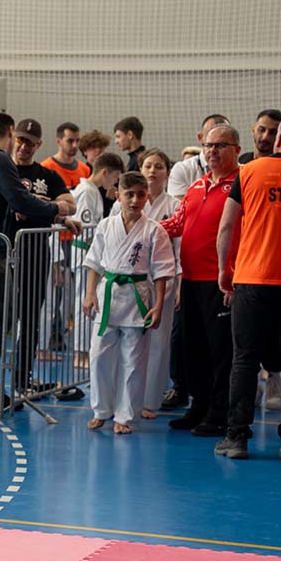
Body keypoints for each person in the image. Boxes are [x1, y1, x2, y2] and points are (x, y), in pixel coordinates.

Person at [0, 114, 75, 401]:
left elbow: (66, 203)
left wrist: (49, 209)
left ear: (38, 145)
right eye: (20, 139)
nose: (24, 146)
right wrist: (52, 210)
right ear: (12, 134)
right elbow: (19, 200)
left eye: (30, 142)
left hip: (4, 249)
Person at [160, 123, 241, 436]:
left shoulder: (243, 184)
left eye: (220, 145)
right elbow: (176, 224)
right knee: (193, 348)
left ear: (236, 149)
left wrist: (234, 275)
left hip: (222, 282)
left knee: (221, 352)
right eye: (208, 145)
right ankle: (198, 407)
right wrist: (140, 226)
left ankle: (219, 414)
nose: (212, 151)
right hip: (191, 280)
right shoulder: (196, 186)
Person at [215, 117, 281, 459]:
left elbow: (227, 226)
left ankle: (237, 437)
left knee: (244, 359)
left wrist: (223, 270)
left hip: (253, 278)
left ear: (279, 138)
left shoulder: (249, 171)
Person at [82, 171, 175, 434]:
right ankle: (101, 410)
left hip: (138, 297)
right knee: (98, 356)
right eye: (129, 194)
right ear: (117, 195)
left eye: (141, 195)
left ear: (147, 197)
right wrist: (89, 293)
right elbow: (94, 262)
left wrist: (158, 305)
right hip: (108, 296)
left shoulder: (154, 229)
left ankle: (125, 416)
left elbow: (162, 271)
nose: (135, 200)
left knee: (133, 361)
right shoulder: (106, 225)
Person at [110, 149, 179, 418]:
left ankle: (150, 400)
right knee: (122, 343)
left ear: (167, 173)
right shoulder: (121, 203)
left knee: (158, 342)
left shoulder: (175, 205)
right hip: (126, 284)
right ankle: (119, 399)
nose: (153, 171)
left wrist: (178, 281)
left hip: (161, 281)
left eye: (159, 166)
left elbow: (179, 247)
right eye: (148, 165)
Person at [71, 152, 125, 368]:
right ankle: (80, 354)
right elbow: (85, 227)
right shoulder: (86, 191)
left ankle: (85, 351)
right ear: (105, 172)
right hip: (84, 252)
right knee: (83, 302)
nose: (114, 183)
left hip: (91, 253)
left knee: (90, 303)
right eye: (115, 178)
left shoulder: (92, 191)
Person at [167, 114, 230, 199]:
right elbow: (180, 205)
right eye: (211, 135)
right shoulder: (182, 169)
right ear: (200, 137)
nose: (216, 140)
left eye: (223, 137)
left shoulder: (242, 171)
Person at [42, 122, 92, 190]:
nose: (75, 145)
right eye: (70, 141)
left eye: (77, 141)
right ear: (59, 141)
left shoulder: (85, 169)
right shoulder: (46, 168)